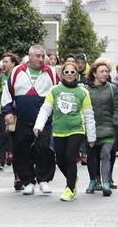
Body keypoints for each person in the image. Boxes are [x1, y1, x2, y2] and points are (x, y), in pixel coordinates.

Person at [1, 44, 58, 196]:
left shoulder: (51, 72)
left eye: (42, 56)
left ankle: (44, 179)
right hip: (23, 119)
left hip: (44, 120)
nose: (41, 59)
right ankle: (27, 181)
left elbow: (58, 91)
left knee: (44, 149)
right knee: (21, 149)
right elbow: (7, 93)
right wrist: (7, 112)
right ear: (30, 56)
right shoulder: (17, 71)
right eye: (38, 56)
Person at [35, 62, 96, 201]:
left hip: (76, 129)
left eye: (72, 72)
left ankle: (70, 189)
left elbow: (88, 114)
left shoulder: (83, 92)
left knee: (70, 157)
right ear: (62, 74)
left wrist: (91, 137)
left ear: (77, 75)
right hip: (59, 130)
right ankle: (72, 177)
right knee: (60, 160)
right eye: (66, 72)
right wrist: (38, 126)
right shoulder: (55, 90)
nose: (69, 74)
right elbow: (46, 109)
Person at [84, 59, 118, 196]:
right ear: (94, 73)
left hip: (108, 128)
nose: (105, 74)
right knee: (92, 157)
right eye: (102, 71)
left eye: (106, 71)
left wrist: (115, 120)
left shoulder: (112, 88)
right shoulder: (86, 90)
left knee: (105, 155)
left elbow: (117, 107)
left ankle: (106, 182)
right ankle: (93, 180)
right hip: (91, 128)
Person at [0, 54, 18, 173]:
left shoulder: (18, 76)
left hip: (16, 111)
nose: (3, 64)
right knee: (3, 135)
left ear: (13, 63)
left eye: (6, 61)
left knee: (14, 135)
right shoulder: (1, 78)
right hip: (3, 111)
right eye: (3, 61)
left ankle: (13, 155)